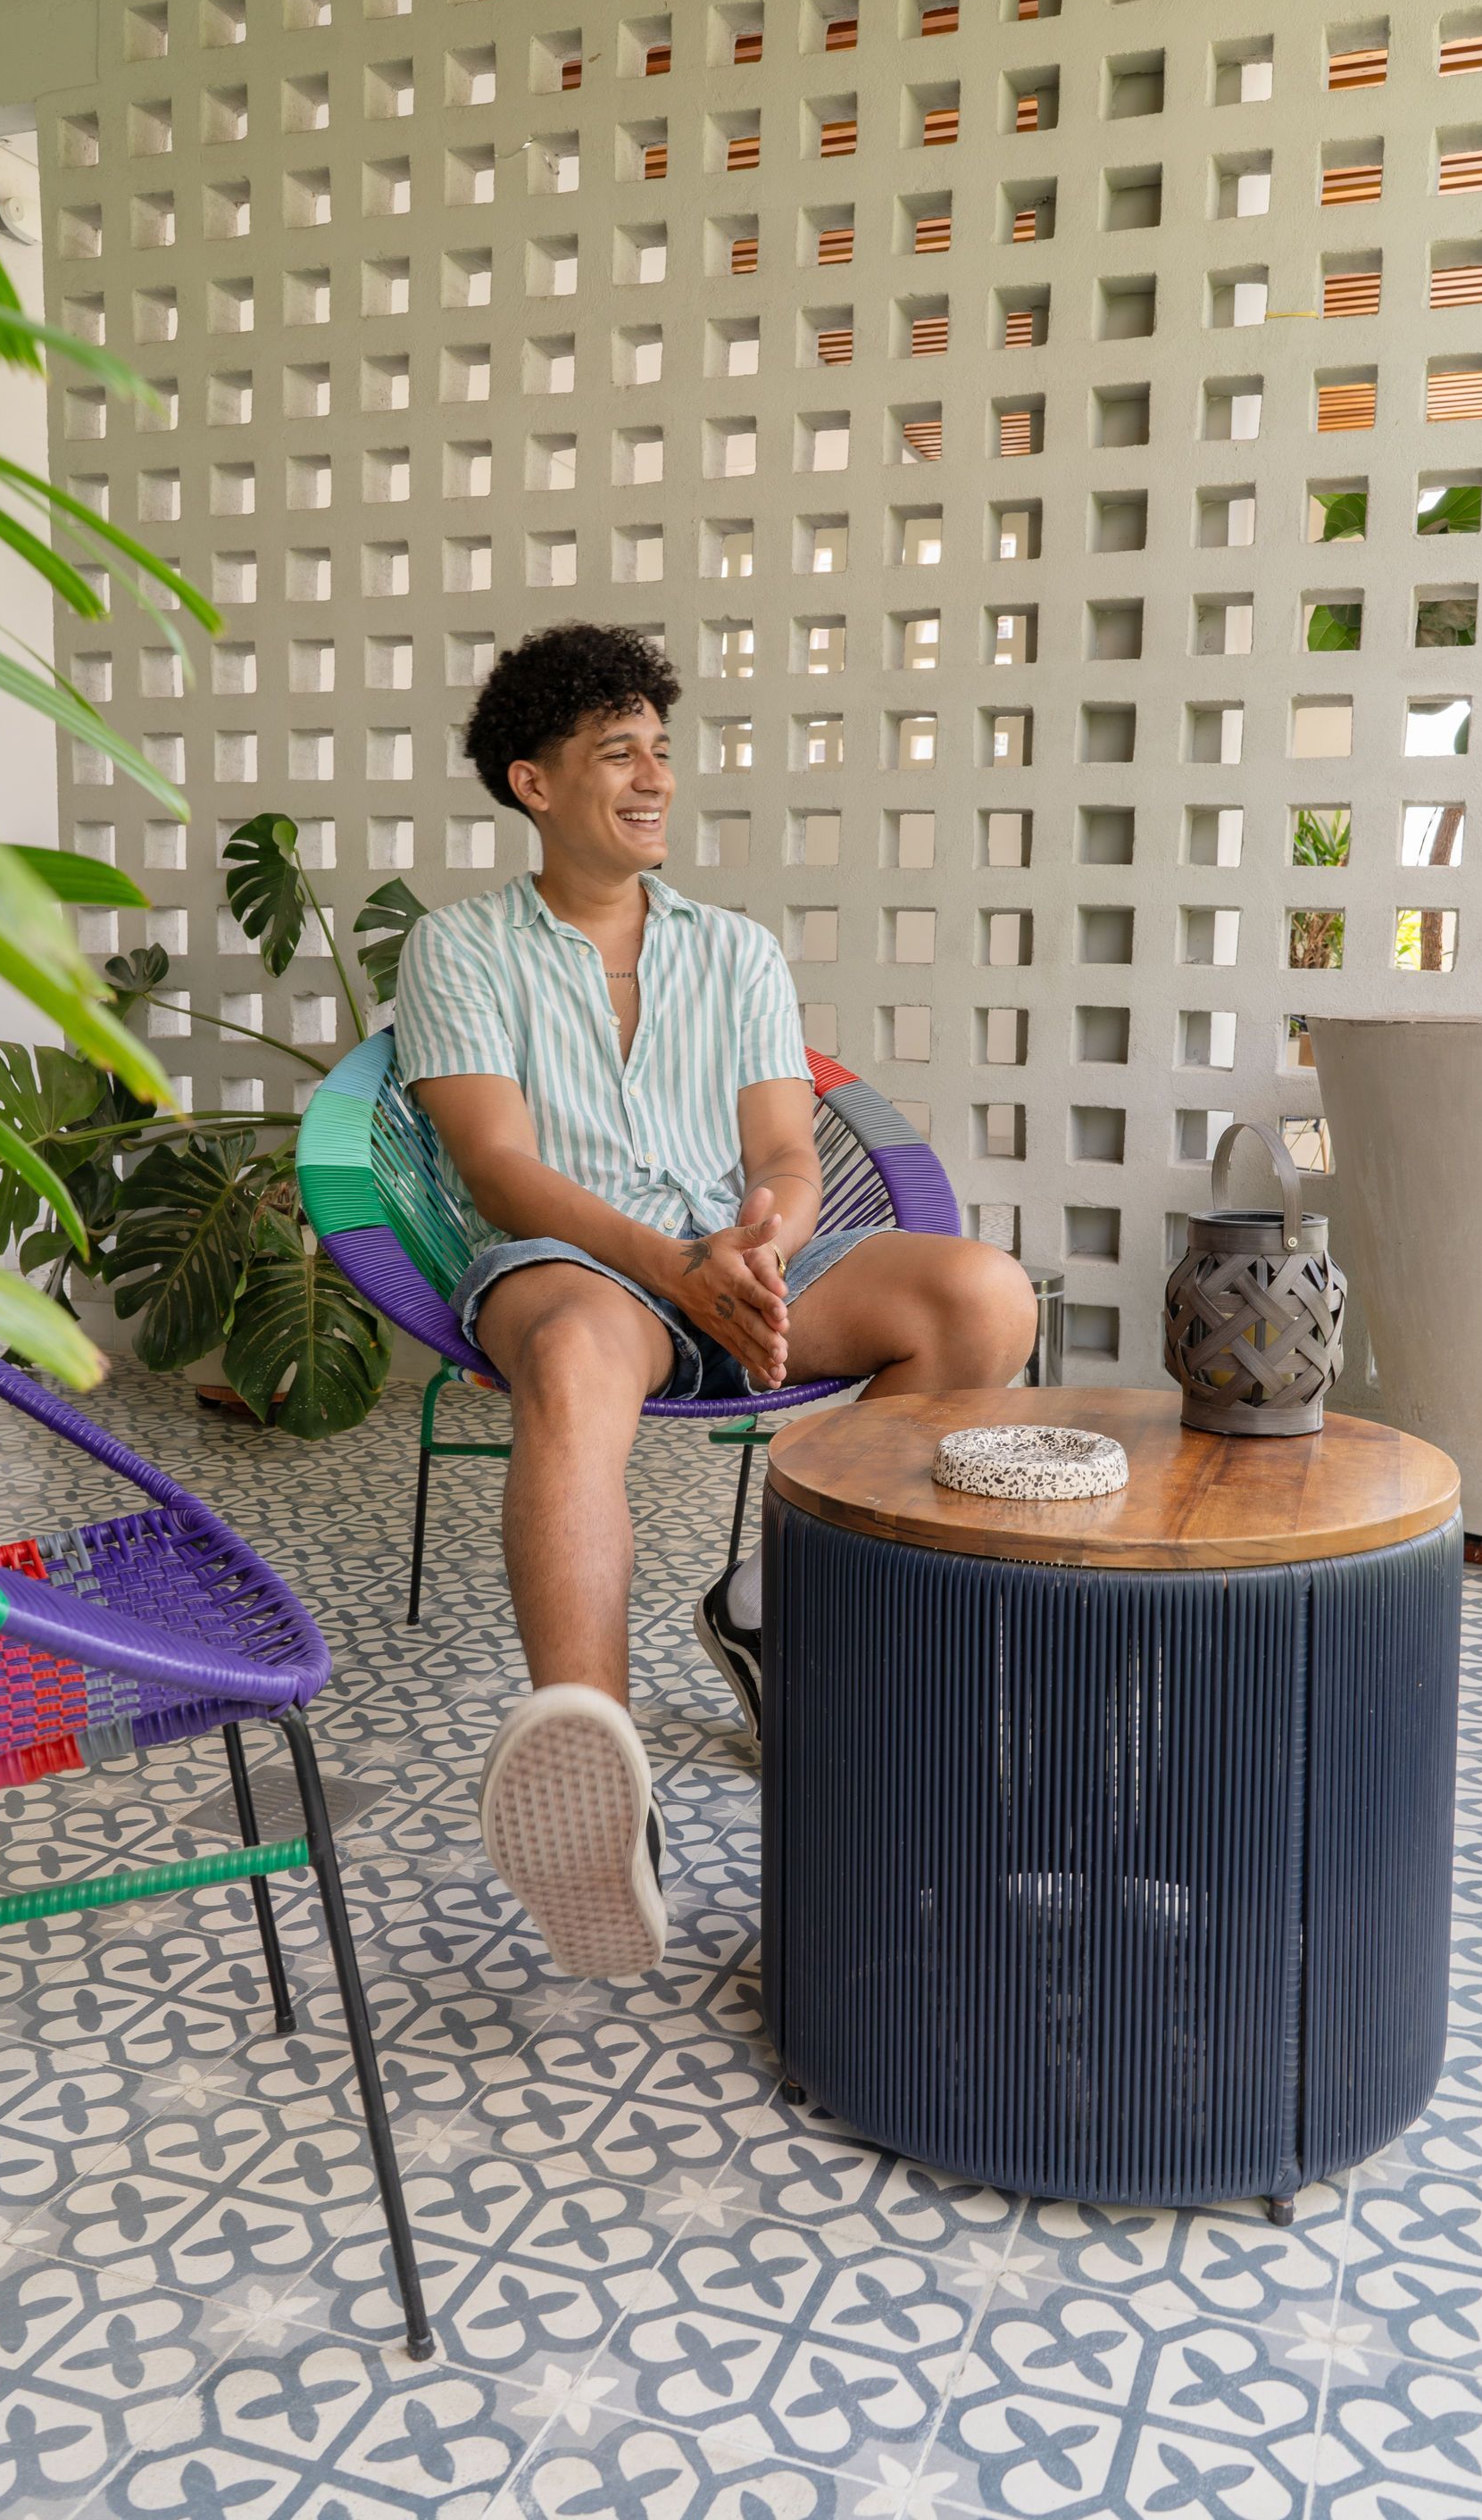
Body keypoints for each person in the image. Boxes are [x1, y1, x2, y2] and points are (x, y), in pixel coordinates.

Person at [395, 622, 1038, 1978]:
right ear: (533, 784)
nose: (655, 780)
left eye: (661, 751)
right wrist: (668, 1263)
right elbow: (500, 1169)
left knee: (980, 1298)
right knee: (575, 1352)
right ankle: (599, 1787)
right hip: (576, 1266)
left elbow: (788, 1153)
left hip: (730, 1257)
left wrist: (759, 1244)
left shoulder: (735, 952)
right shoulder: (459, 949)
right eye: (616, 754)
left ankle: (777, 1603)